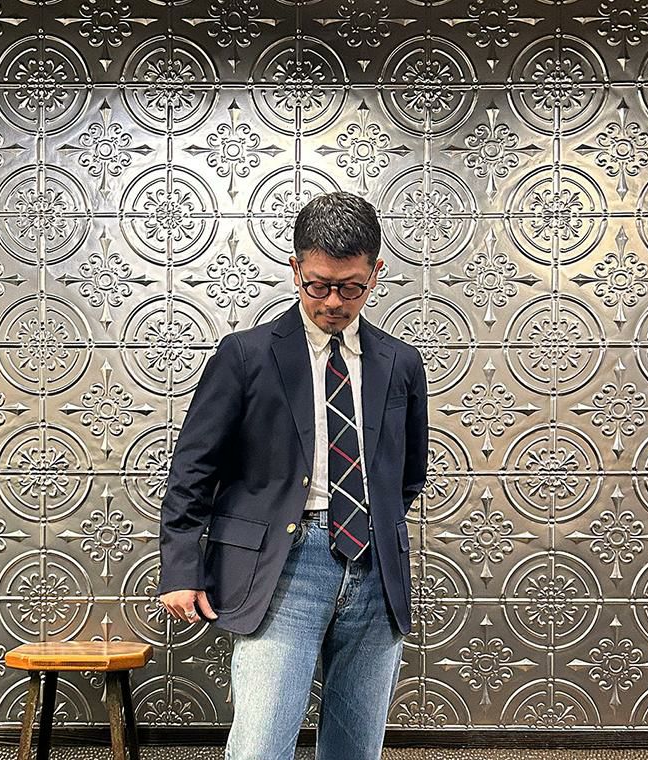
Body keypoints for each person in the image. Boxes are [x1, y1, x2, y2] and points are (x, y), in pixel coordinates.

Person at [157, 191, 428, 760]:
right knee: (261, 746)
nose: (333, 302)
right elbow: (192, 470)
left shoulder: (400, 362)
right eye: (318, 285)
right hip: (282, 566)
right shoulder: (246, 355)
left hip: (375, 568)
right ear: (295, 268)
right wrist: (181, 569)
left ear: (376, 272)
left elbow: (408, 473)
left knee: (356, 748)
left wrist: (373, 526)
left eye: (351, 287)